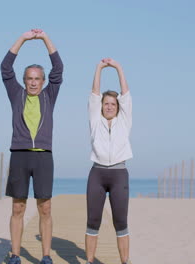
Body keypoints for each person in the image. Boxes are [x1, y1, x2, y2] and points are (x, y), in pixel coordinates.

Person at [0, 29, 63, 264]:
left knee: (45, 207)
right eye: (30, 78)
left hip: (44, 157)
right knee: (18, 208)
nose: (34, 82)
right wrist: (23, 39)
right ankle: (15, 255)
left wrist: (46, 38)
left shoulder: (50, 95)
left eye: (37, 78)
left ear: (43, 81)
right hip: (19, 155)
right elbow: (5, 68)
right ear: (24, 81)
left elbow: (58, 68)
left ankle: (46, 256)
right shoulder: (16, 94)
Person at [85, 58, 132, 264]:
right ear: (101, 106)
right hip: (97, 174)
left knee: (121, 222)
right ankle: (89, 261)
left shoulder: (125, 119)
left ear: (119, 107)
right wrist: (99, 68)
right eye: (106, 104)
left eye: (113, 104)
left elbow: (126, 94)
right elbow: (94, 94)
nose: (110, 106)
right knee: (93, 221)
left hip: (119, 174)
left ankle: (125, 261)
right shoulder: (95, 119)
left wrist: (118, 68)